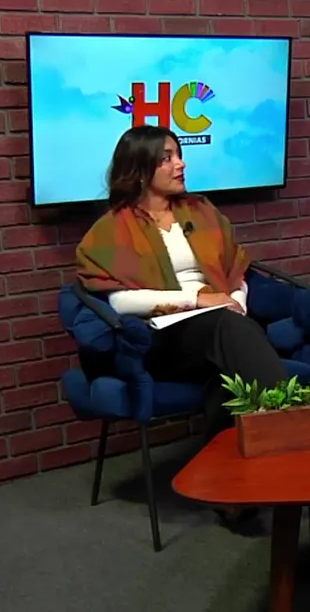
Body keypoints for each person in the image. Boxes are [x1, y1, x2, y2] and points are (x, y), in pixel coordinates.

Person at [74, 125, 288, 527]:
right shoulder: (113, 228)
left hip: (222, 326)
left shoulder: (201, 211)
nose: (180, 164)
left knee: (227, 371)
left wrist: (236, 303)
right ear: (140, 170)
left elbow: (235, 274)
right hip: (162, 338)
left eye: (179, 154)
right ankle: (292, 427)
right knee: (228, 333)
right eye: (167, 158)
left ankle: (229, 490)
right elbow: (120, 301)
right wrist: (199, 299)